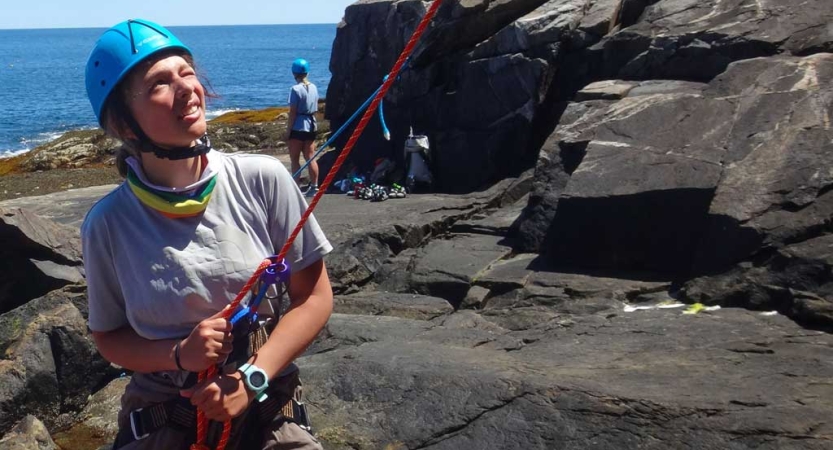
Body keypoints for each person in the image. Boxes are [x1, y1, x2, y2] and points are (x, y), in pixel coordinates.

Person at [81, 19, 333, 450]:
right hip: (166, 408)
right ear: (125, 126)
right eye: (160, 83)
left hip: (265, 396)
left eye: (187, 72)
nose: (186, 88)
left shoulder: (263, 179)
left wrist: (251, 377)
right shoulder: (108, 223)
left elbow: (313, 297)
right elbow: (109, 337)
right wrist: (179, 354)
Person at [285, 58, 320, 197]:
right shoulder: (314, 87)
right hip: (311, 125)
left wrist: (288, 130)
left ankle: (296, 187)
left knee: (294, 159)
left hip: (298, 126)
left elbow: (293, 112)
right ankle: (315, 185)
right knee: (310, 157)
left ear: (294, 73)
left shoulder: (295, 89)